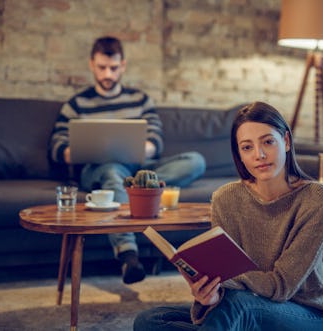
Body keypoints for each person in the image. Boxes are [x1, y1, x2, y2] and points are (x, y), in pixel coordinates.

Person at [133, 101, 323, 331]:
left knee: (239, 305)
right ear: (239, 155)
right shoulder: (226, 198)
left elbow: (282, 285)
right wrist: (211, 295)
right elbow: (225, 272)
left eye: (268, 142)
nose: (259, 155)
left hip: (306, 315)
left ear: (286, 141)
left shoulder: (318, 199)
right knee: (150, 321)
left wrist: (226, 284)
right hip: (241, 307)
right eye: (247, 147)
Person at [49, 36, 206, 285]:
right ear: (91, 64)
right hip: (98, 169)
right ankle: (128, 255)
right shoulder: (76, 104)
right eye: (102, 68)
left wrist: (140, 149)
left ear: (123, 65)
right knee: (112, 170)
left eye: (113, 68)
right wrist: (77, 151)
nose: (107, 74)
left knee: (195, 160)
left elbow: (156, 139)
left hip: (140, 167)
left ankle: (131, 188)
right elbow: (58, 146)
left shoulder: (140, 100)